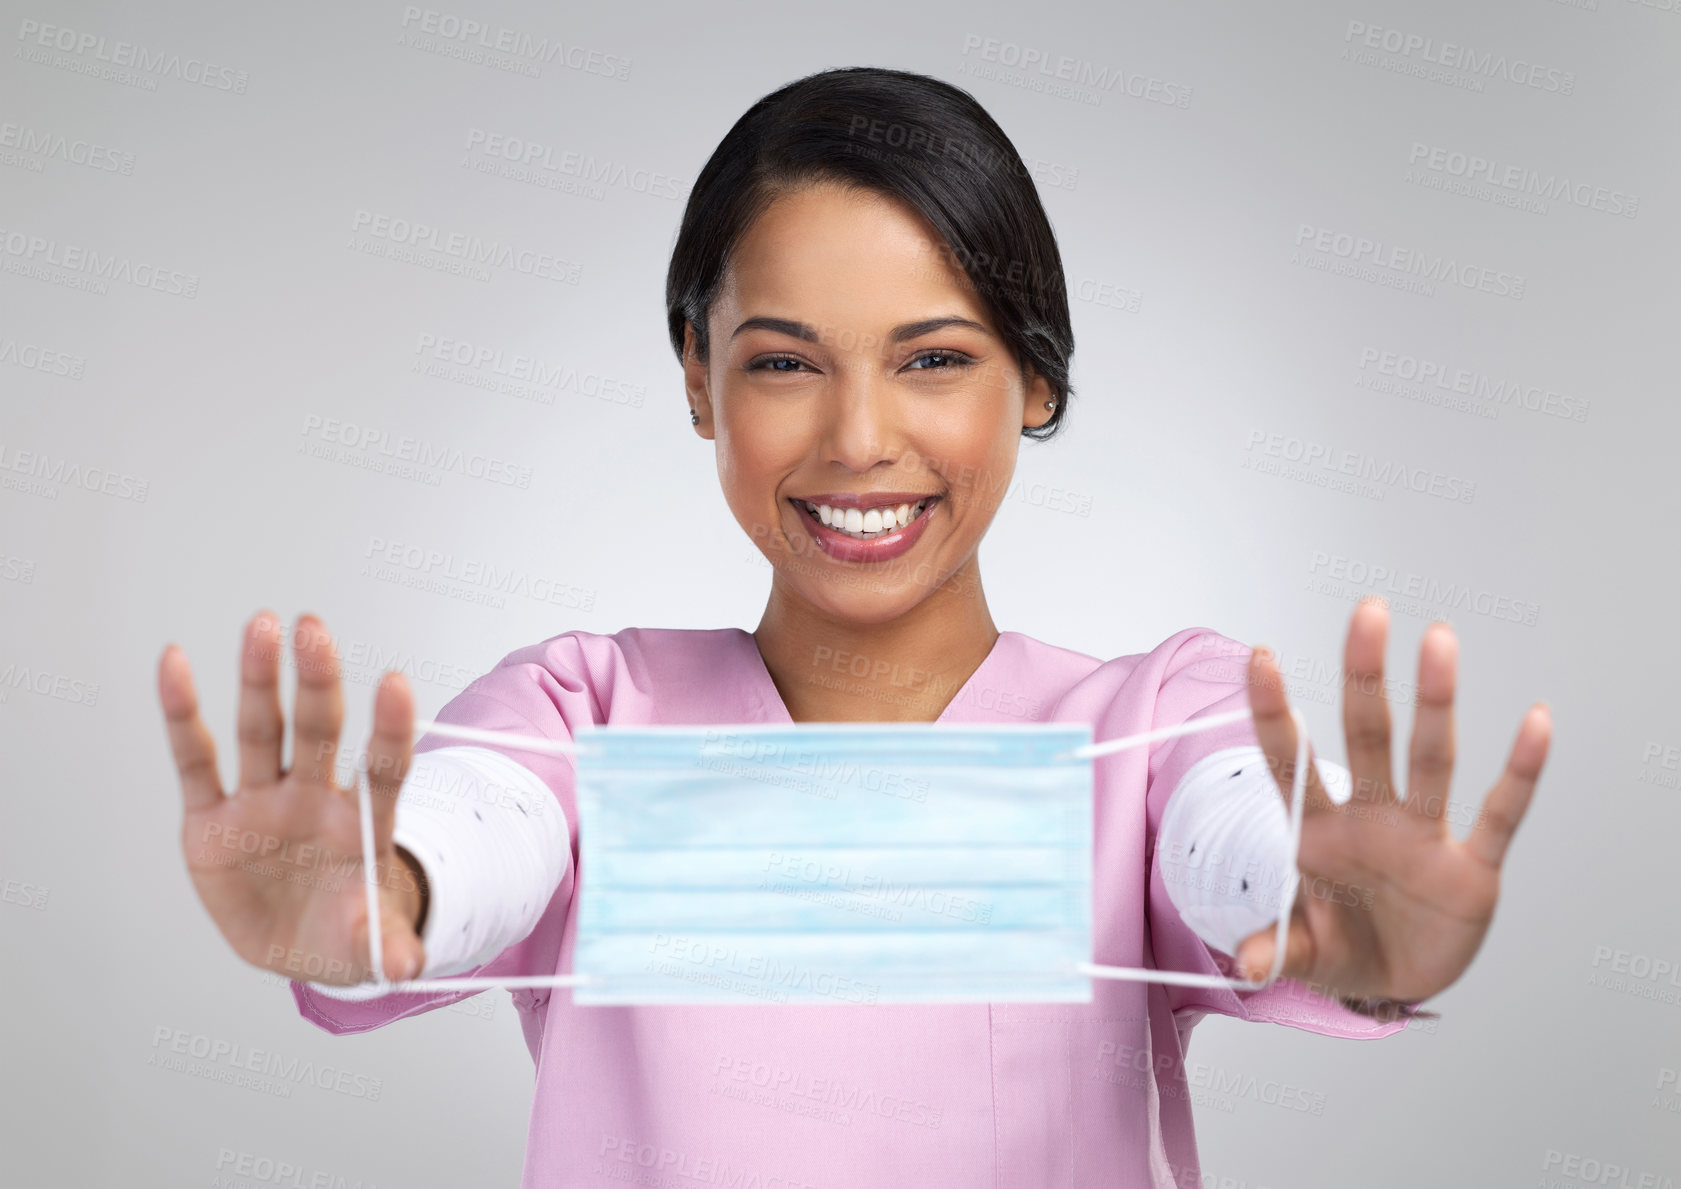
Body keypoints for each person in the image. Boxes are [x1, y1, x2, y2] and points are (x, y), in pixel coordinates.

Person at [156, 66, 1552, 1187]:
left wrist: (1321, 909)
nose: (860, 436)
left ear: (1038, 382)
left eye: (934, 358)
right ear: (698, 382)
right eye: (781, 363)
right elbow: (474, 838)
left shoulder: (1151, 729)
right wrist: (381, 898)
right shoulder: (587, 718)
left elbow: (1233, 844)